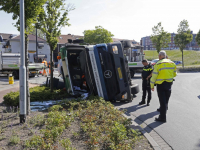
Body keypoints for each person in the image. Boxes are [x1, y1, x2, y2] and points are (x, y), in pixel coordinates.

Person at [150, 51, 177, 122]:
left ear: (159, 56)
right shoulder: (172, 63)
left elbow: (154, 76)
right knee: (166, 101)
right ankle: (163, 112)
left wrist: (152, 86)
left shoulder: (158, 64)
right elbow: (175, 74)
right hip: (169, 84)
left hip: (160, 85)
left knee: (162, 102)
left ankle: (162, 117)